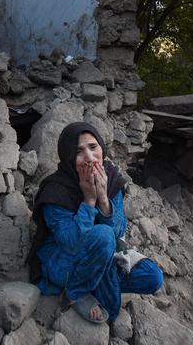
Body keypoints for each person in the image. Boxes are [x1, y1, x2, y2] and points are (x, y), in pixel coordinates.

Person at [27, 122, 163, 323]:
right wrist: (89, 201)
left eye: (93, 147)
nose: (90, 158)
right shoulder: (55, 190)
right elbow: (70, 242)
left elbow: (119, 231)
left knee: (153, 277)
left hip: (105, 252)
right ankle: (75, 291)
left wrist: (104, 199)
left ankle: (96, 280)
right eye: (79, 152)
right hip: (65, 261)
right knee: (103, 236)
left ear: (101, 148)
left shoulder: (110, 177)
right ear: (68, 157)